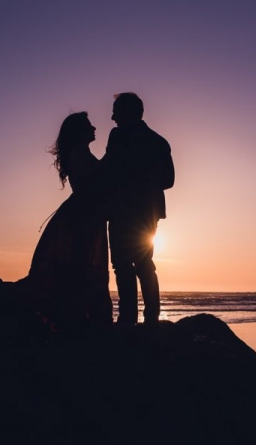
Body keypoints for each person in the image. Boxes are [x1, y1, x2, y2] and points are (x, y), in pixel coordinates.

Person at [26, 112, 113, 328]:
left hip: (85, 211)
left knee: (81, 260)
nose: (94, 128)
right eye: (89, 125)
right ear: (79, 131)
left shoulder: (80, 152)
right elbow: (91, 181)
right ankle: (77, 315)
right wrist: (111, 158)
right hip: (83, 212)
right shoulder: (79, 153)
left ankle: (77, 314)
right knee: (81, 261)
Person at [101, 93, 175, 326]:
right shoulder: (159, 141)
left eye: (116, 111)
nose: (112, 117)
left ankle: (127, 319)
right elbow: (168, 180)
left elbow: (108, 170)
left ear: (129, 112)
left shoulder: (119, 135)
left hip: (123, 210)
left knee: (122, 264)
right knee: (144, 263)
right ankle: (151, 317)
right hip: (148, 212)